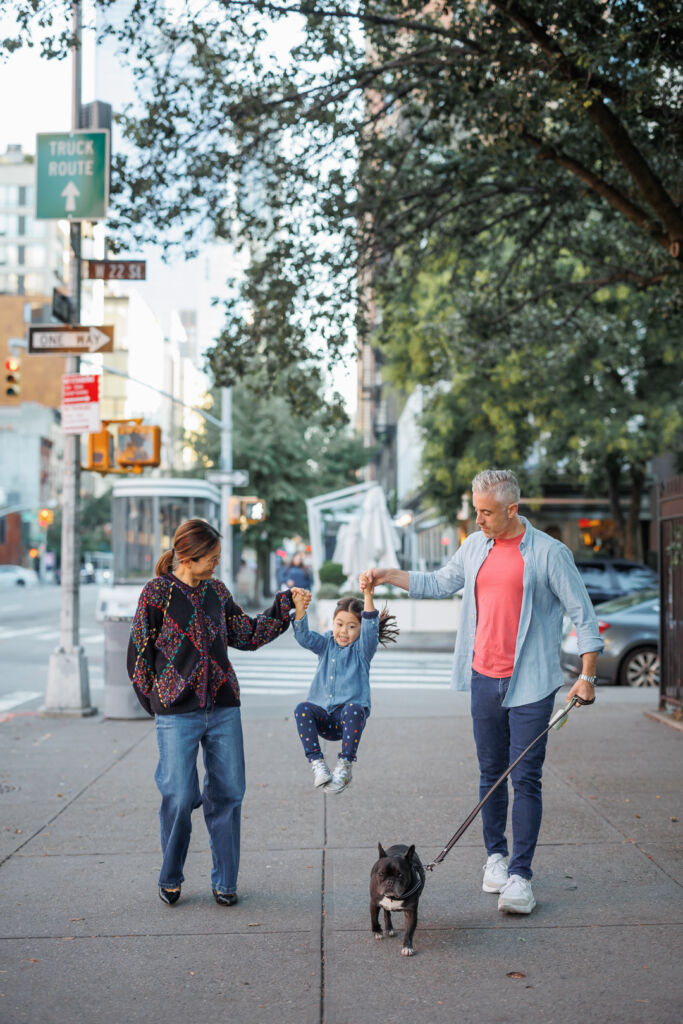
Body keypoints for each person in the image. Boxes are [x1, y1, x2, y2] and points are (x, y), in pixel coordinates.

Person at [361, 469, 603, 915]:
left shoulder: (550, 553)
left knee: (525, 776)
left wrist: (586, 674)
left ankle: (521, 877)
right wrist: (386, 575)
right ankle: (495, 857)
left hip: (531, 682)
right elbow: (438, 582)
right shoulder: (475, 547)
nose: (478, 520)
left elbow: (583, 615)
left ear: (512, 509)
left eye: (487, 512)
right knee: (490, 774)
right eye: (476, 510)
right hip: (483, 677)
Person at [127, 518, 310, 907]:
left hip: (224, 708)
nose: (215, 564)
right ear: (188, 556)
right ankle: (171, 874)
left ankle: (225, 882)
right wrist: (158, 701)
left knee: (228, 794)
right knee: (179, 794)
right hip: (176, 714)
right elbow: (139, 655)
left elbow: (245, 634)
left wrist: (284, 607)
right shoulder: (156, 594)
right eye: (210, 558)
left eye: (216, 558)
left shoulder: (217, 592)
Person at [291, 579, 398, 793]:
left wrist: (368, 595)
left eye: (351, 627)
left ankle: (345, 766)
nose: (344, 631)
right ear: (332, 623)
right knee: (301, 709)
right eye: (339, 624)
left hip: (346, 721)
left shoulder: (362, 651)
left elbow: (370, 628)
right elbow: (302, 637)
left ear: (359, 629)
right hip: (322, 715)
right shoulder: (325, 643)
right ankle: (317, 764)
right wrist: (300, 609)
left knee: (353, 708)